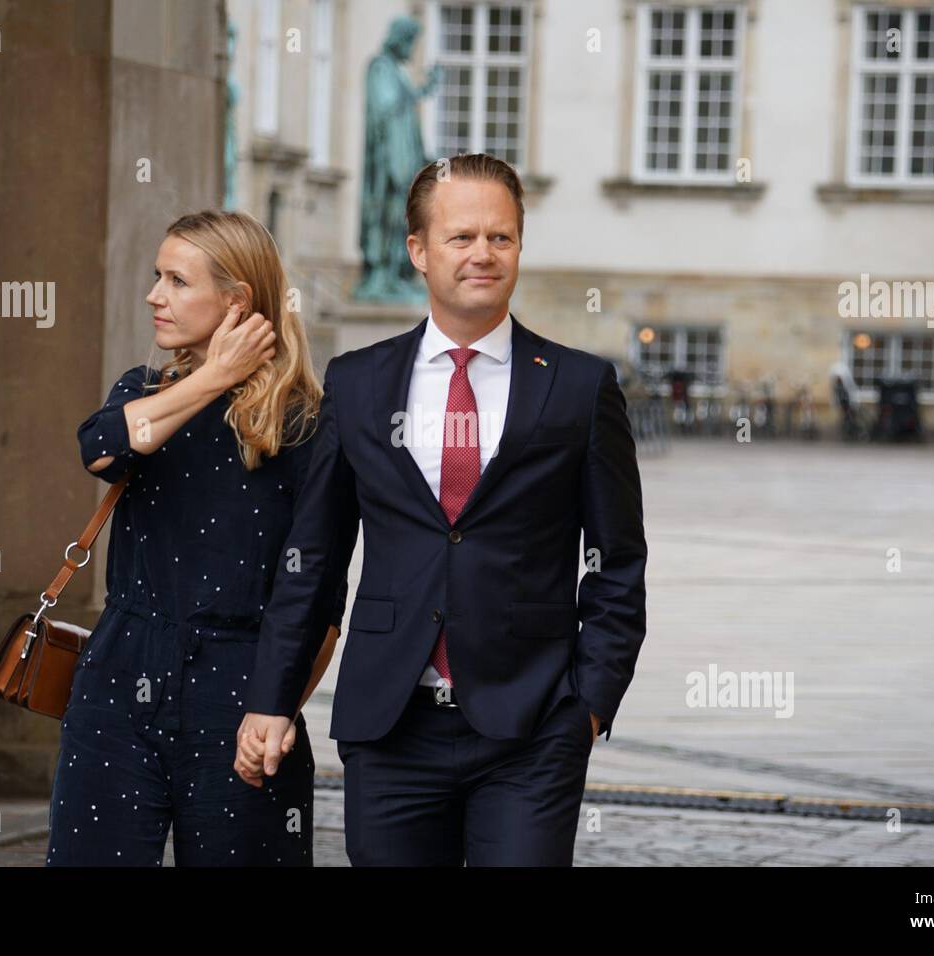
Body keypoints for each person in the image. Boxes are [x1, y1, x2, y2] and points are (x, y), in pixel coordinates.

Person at [236, 153, 649, 866]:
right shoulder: (359, 384)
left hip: (532, 729)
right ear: (418, 252)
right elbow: (314, 559)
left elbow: (618, 564)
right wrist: (273, 697)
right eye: (461, 238)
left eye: (501, 237)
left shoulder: (580, 388)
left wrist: (588, 707)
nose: (482, 255)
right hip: (389, 727)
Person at [45, 210, 347, 866]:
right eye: (158, 277)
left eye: (177, 281)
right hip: (118, 679)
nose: (155, 294)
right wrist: (212, 376)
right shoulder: (146, 389)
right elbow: (100, 449)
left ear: (237, 301)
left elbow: (322, 605)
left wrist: (276, 709)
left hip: (241, 693)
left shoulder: (309, 429)